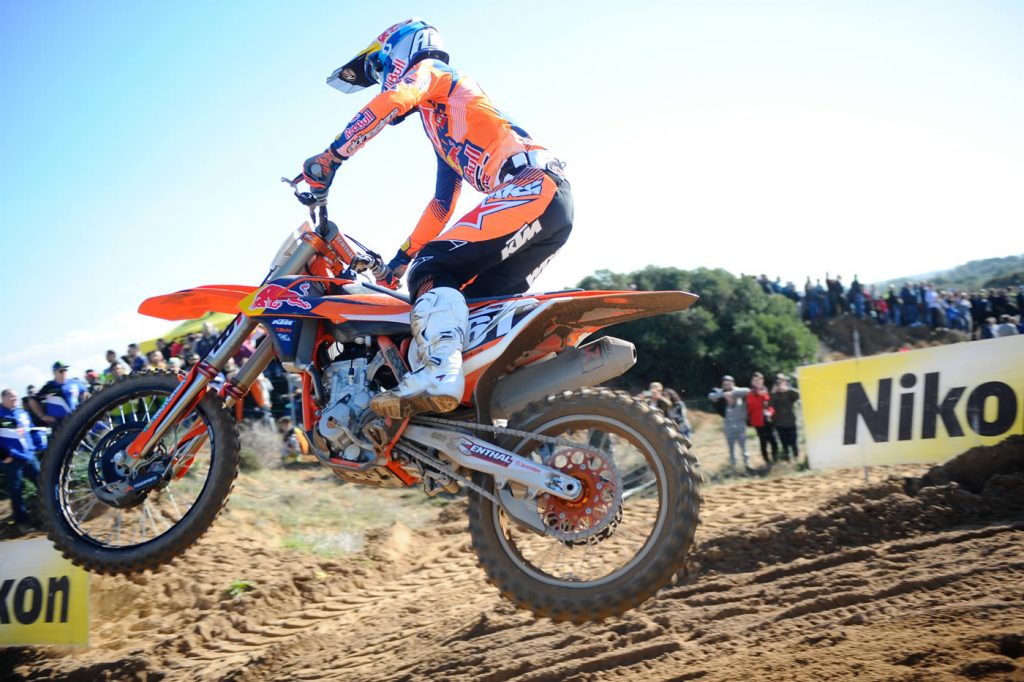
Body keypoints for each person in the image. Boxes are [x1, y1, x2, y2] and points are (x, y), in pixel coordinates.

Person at [300, 19, 572, 419]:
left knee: (432, 268)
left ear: (400, 52)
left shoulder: (434, 72)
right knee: (474, 307)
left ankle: (439, 371)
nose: (381, 75)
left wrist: (331, 156)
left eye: (380, 65)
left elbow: (393, 99)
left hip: (530, 185)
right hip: (550, 203)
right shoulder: (441, 122)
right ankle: (496, 419)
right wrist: (400, 259)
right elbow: (442, 205)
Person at [1, 389, 41, 533]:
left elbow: (32, 429)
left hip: (29, 456)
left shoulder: (22, 413)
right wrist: (4, 456)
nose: (15, 399)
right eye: (11, 397)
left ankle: (51, 515)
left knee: (43, 483)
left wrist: (37, 444)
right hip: (12, 460)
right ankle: (22, 523)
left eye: (16, 397)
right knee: (16, 492)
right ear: (3, 398)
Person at [708, 375, 752, 471]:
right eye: (725, 384)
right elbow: (711, 396)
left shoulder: (739, 392)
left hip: (740, 423)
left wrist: (732, 393)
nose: (727, 386)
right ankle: (734, 467)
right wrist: (723, 394)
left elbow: (748, 391)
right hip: (728, 424)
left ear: (733, 383)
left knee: (743, 445)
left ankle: (747, 464)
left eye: (729, 383)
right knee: (731, 447)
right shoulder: (721, 393)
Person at [27, 362, 88, 426]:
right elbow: (33, 401)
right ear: (54, 373)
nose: (64, 372)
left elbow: (85, 393)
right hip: (60, 423)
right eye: (61, 371)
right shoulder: (49, 387)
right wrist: (42, 416)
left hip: (76, 418)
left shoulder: (74, 383)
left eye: (65, 370)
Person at [746, 372, 778, 466]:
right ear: (752, 382)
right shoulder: (750, 394)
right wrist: (758, 394)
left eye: (759, 380)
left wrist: (770, 412)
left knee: (773, 440)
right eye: (755, 380)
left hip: (768, 420)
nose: (758, 382)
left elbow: (770, 406)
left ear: (762, 381)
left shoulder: (766, 392)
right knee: (763, 441)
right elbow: (751, 407)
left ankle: (775, 459)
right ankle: (767, 461)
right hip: (758, 421)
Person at [771, 374, 801, 462]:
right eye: (778, 382)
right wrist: (773, 392)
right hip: (779, 423)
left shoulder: (789, 392)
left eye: (782, 382)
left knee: (793, 441)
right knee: (784, 443)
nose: (780, 384)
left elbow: (798, 395)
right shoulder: (774, 394)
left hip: (791, 421)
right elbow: (769, 404)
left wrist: (788, 389)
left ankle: (796, 457)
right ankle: (787, 458)